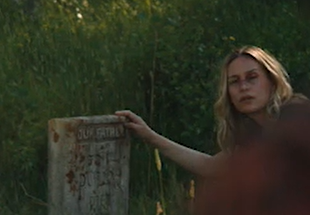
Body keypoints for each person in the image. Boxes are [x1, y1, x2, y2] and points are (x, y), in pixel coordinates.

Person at [116, 46, 297, 177]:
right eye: (234, 81)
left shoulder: (296, 118)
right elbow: (209, 166)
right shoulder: (252, 137)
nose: (243, 87)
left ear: (272, 81)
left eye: (252, 78)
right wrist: (149, 135)